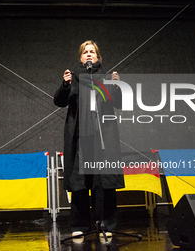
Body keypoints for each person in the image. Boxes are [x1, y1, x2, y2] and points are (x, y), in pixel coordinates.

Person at [53, 40, 125, 242]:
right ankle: (80, 226)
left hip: (103, 137)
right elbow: (59, 101)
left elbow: (119, 103)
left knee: (105, 182)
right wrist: (65, 86)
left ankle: (106, 225)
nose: (89, 54)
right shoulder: (74, 78)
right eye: (85, 52)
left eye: (92, 51)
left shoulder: (107, 77)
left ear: (98, 56)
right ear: (81, 57)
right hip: (79, 139)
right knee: (80, 184)